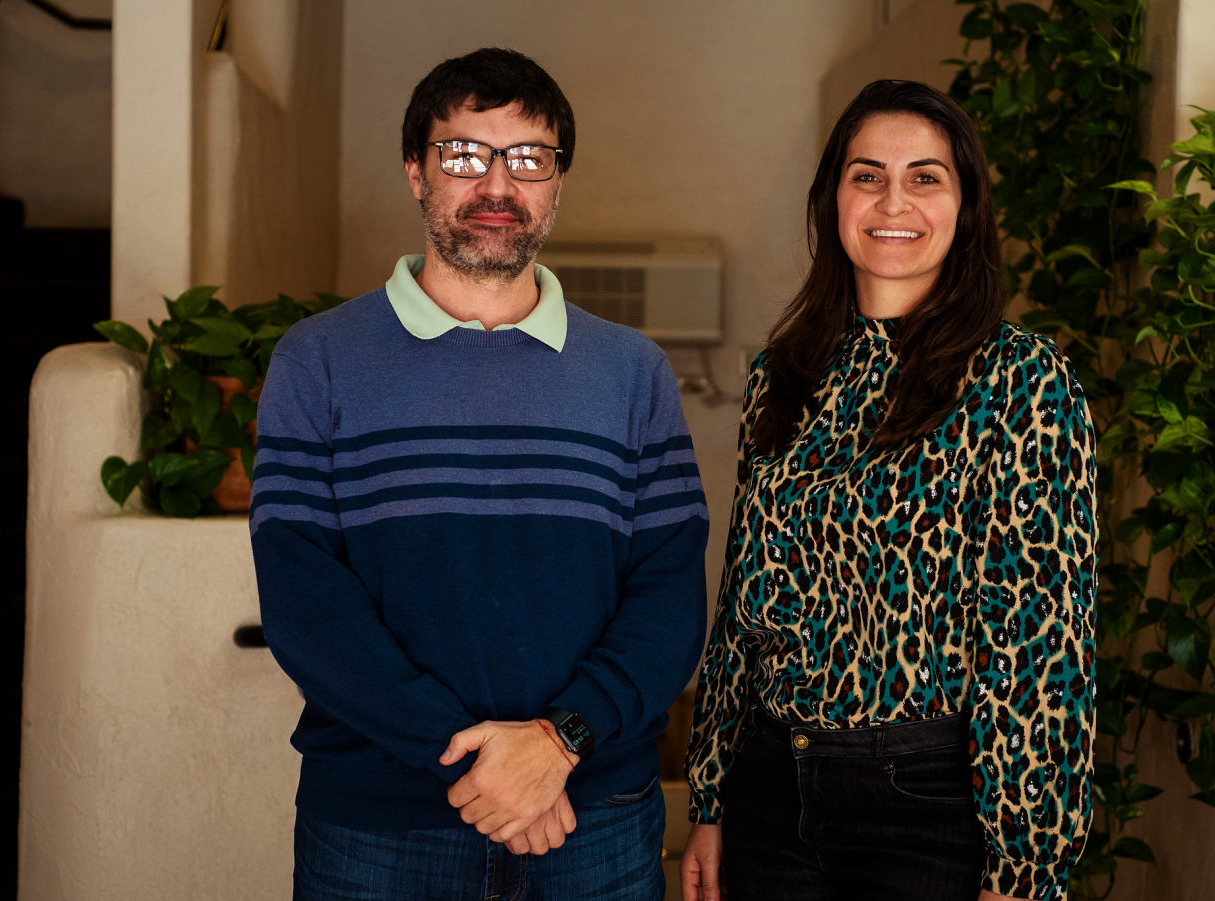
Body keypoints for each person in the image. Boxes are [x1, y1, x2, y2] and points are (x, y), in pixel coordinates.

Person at [250, 47, 709, 901]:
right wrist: (489, 764)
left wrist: (559, 742)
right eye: (464, 154)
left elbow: (670, 596)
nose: (498, 184)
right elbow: (306, 603)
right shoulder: (317, 360)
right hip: (380, 828)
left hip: (594, 815)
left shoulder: (632, 371)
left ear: (557, 181)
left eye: (528, 157)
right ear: (416, 175)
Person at [680, 79, 1097, 901]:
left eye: (925, 177)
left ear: (965, 203)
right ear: (834, 197)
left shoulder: (1022, 382)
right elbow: (742, 602)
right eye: (866, 175)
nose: (892, 200)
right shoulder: (783, 376)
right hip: (770, 785)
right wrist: (711, 793)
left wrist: (1024, 867)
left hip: (928, 804)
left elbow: (1040, 644)